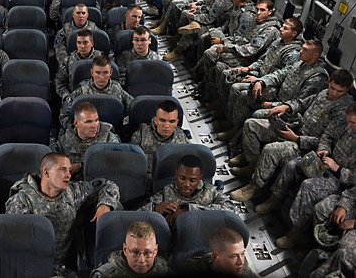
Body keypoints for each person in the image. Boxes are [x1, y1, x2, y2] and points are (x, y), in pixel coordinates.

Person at [230, 69, 353, 201]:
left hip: (305, 146)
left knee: (270, 150)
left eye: (339, 91)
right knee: (251, 125)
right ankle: (251, 166)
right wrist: (286, 107)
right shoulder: (324, 93)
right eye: (332, 88)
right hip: (295, 129)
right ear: (329, 82)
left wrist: (297, 139)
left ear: (347, 90)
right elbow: (303, 103)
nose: (334, 93)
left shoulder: (344, 111)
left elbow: (326, 140)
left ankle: (254, 187)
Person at [256, 103, 356, 248]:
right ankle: (274, 199)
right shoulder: (343, 123)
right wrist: (324, 149)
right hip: (325, 163)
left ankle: (297, 233)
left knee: (308, 187)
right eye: (348, 121)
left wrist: (339, 169)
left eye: (353, 123)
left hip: (340, 180)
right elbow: (327, 136)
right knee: (293, 166)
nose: (349, 125)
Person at [6, 153, 120, 274]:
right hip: (32, 268)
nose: (69, 175)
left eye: (69, 170)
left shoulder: (73, 192)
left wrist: (105, 204)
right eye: (63, 169)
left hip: (62, 268)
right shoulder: (21, 200)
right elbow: (18, 247)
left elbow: (108, 185)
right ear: (46, 173)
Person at [138, 155, 236, 225]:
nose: (186, 184)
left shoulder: (210, 192)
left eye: (192, 180)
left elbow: (231, 211)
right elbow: (135, 216)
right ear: (176, 173)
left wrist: (187, 211)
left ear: (200, 178)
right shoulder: (166, 192)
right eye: (182, 178)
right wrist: (155, 209)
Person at [53, 102, 121, 179]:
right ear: (76, 123)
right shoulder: (65, 140)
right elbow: (53, 165)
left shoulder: (108, 137)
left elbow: (117, 163)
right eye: (88, 122)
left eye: (96, 120)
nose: (94, 126)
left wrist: (81, 166)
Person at [61, 55, 133, 128]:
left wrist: (122, 124)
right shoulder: (81, 91)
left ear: (111, 72)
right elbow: (64, 116)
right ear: (92, 72)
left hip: (112, 133)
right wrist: (79, 129)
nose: (101, 77)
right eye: (98, 73)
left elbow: (134, 110)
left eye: (105, 73)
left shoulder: (117, 90)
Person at [131, 100, 190, 180]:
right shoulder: (141, 135)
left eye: (171, 121)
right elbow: (133, 165)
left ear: (176, 122)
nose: (166, 126)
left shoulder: (182, 139)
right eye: (162, 120)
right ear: (155, 120)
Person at [90, 221, 172, 277]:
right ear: (125, 250)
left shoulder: (164, 270)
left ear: (155, 251)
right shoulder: (105, 275)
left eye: (147, 253)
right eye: (135, 252)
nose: (142, 260)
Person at [184, 227, 256, 277]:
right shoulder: (193, 270)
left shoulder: (243, 268)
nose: (241, 262)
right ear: (215, 256)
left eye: (242, 254)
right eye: (234, 256)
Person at [55, 29, 102, 101]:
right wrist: (67, 96)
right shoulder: (68, 61)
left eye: (85, 43)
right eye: (79, 43)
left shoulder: (101, 60)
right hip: (74, 98)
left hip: (97, 97)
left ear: (92, 43)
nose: (82, 46)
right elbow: (60, 82)